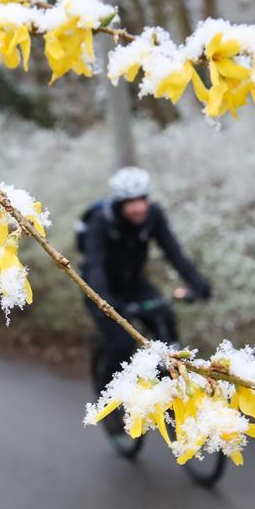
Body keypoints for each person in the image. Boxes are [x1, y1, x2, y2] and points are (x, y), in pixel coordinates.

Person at [80, 166, 212, 396]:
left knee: (166, 321)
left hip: (134, 284)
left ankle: (168, 388)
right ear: (120, 203)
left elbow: (174, 252)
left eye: (143, 198)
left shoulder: (153, 216)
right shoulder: (101, 222)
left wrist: (198, 283)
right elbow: (95, 265)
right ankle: (109, 395)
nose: (139, 206)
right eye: (131, 201)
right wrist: (105, 302)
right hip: (100, 289)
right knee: (122, 342)